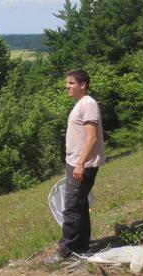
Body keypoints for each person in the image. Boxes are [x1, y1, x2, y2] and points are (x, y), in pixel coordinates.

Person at [45, 69, 106, 264]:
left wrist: (80, 163)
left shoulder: (88, 104)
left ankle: (65, 250)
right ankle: (82, 245)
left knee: (71, 207)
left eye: (71, 83)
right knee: (79, 204)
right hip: (76, 162)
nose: (67, 86)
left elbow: (92, 137)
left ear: (83, 85)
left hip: (83, 164)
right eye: (67, 83)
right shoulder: (82, 104)